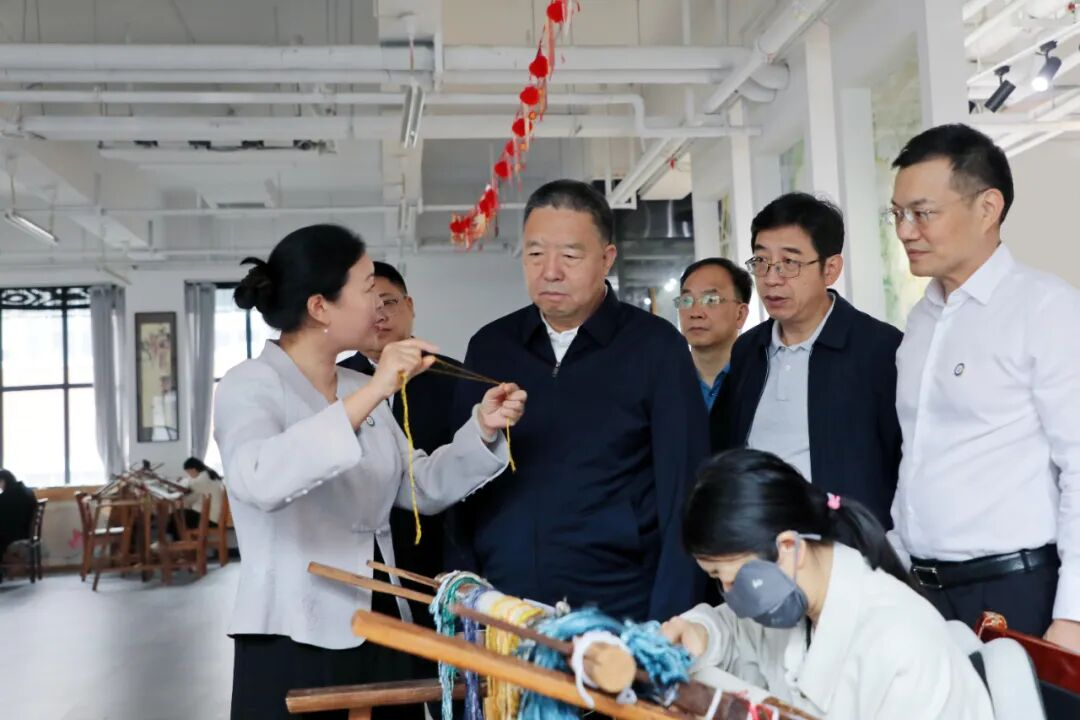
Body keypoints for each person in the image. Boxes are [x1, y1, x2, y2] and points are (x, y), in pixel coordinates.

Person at [213, 224, 527, 720]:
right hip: (291, 633)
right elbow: (260, 479)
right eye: (366, 291)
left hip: (382, 621)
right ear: (320, 307)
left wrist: (482, 429)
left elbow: (418, 486)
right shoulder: (250, 384)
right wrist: (377, 390)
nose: (379, 307)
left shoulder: (357, 386)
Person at [450, 179, 709, 623]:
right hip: (505, 605)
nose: (550, 271)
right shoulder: (492, 347)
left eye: (570, 256)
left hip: (621, 605)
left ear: (607, 258)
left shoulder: (654, 348)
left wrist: (672, 621)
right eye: (535, 254)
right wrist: (464, 591)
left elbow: (685, 492)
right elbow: (459, 477)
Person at [888, 124, 1080, 649]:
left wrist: (1073, 614)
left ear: (987, 208)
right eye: (897, 214)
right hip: (924, 591)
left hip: (1014, 592)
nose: (905, 231)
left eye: (922, 213)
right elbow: (917, 458)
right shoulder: (921, 321)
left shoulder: (1046, 308)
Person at [661, 449, 994, 720]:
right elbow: (731, 630)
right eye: (716, 580)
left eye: (730, 578)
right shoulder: (793, 603)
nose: (731, 595)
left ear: (788, 547)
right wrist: (701, 632)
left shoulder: (899, 642)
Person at [716, 193, 902, 528]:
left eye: (790, 263)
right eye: (761, 261)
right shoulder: (748, 350)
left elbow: (904, 459)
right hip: (759, 539)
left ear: (830, 269)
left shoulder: (880, 349)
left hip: (847, 545)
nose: (772, 278)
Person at [338, 262, 462, 629]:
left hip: (442, 546)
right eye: (368, 305)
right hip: (363, 554)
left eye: (388, 302)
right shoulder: (337, 382)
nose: (379, 315)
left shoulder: (454, 377)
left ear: (409, 305)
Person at [675, 257, 753, 452]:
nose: (695, 313)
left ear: (740, 314)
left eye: (710, 300)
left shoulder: (759, 379)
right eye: (686, 300)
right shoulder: (666, 381)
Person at [0, 469, 37, 580]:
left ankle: (9, 568)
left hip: (16, 534)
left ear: (3, 481)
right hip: (25, 531)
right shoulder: (26, 490)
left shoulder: (9, 496)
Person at [177, 457, 224, 531]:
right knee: (178, 515)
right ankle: (185, 537)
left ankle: (183, 538)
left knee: (176, 517)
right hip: (214, 516)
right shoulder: (208, 474)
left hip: (210, 518)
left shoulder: (202, 479)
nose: (189, 475)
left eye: (188, 472)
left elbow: (188, 498)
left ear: (193, 469)